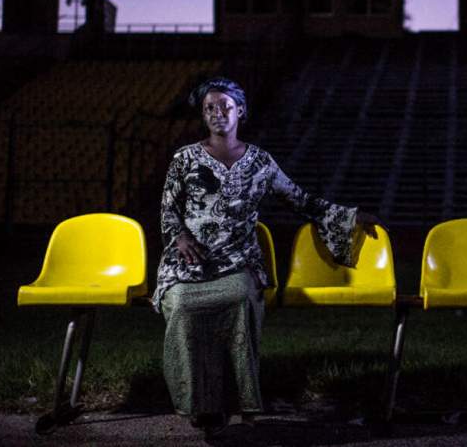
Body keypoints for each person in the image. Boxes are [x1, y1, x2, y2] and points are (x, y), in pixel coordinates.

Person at [151, 76, 381, 438]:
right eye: (209, 107)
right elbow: (168, 210)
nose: (217, 113)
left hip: (238, 260)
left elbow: (301, 199)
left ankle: (238, 402)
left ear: (240, 110)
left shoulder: (260, 161)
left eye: (224, 105)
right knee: (180, 305)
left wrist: (349, 216)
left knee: (242, 298)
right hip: (189, 262)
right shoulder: (184, 159)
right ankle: (201, 405)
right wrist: (179, 237)